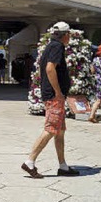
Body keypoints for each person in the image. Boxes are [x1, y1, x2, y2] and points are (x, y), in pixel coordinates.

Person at [21, 22, 79, 178]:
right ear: (66, 35)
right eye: (69, 35)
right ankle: (30, 162)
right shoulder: (57, 47)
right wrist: (58, 92)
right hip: (54, 96)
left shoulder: (50, 45)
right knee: (51, 128)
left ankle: (63, 166)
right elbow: (49, 68)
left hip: (51, 94)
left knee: (60, 131)